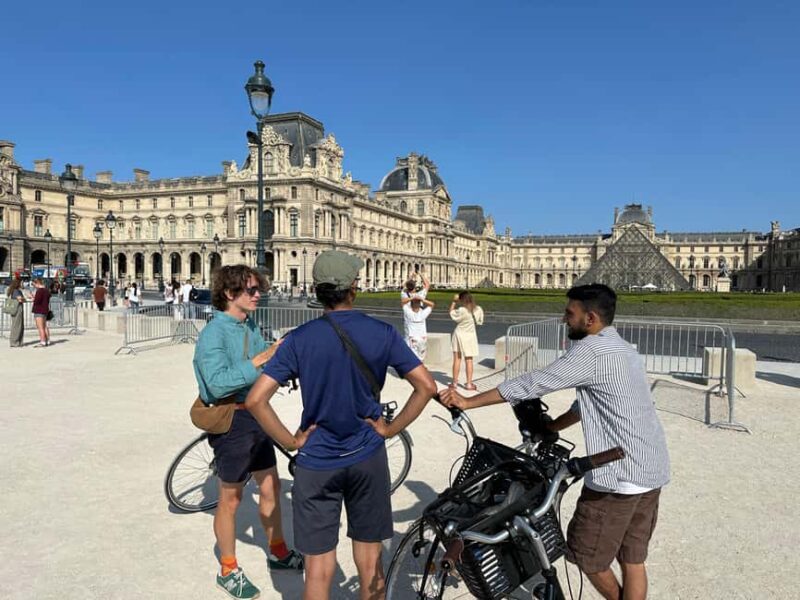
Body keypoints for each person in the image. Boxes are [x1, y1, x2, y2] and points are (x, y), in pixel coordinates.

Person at [440, 284, 670, 600]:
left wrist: (468, 402)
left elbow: (534, 383)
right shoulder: (623, 348)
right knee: (632, 558)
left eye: (569, 313)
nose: (564, 319)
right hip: (651, 467)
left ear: (590, 318)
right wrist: (554, 426)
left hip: (620, 477)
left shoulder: (590, 351)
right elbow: (589, 402)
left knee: (585, 554)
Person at [245, 250, 437, 600]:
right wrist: (390, 430)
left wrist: (291, 440)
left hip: (316, 461)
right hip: (367, 456)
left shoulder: (299, 339)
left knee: (317, 572)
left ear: (317, 290)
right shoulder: (382, 332)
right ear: (354, 288)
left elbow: (256, 399)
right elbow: (426, 386)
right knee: (370, 564)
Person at [193, 265, 303, 600]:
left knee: (270, 486)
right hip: (233, 422)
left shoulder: (249, 324)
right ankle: (228, 569)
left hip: (256, 415)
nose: (258, 295)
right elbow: (215, 385)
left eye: (258, 290)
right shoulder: (214, 333)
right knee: (230, 498)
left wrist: (283, 361)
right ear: (230, 294)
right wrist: (260, 360)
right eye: (251, 290)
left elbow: (265, 358)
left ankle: (279, 552)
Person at [449, 291, 484, 390]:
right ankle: (469, 384)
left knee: (457, 359)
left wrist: (453, 302)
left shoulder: (462, 310)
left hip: (459, 334)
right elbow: (480, 322)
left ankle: (454, 383)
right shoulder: (478, 309)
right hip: (470, 336)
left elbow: (451, 313)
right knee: (469, 360)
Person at [401, 295, 435, 361]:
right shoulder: (423, 313)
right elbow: (432, 304)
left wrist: (412, 298)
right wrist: (422, 299)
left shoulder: (409, 313)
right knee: (421, 357)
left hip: (412, 338)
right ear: (419, 304)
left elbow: (402, 302)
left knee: (413, 358)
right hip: (422, 337)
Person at [6, 278, 26, 348]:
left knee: (18, 325)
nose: (23, 284)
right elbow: (20, 299)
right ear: (18, 283)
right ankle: (15, 342)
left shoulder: (15, 290)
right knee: (17, 325)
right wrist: (24, 298)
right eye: (22, 282)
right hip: (17, 309)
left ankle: (17, 341)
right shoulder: (16, 291)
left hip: (17, 309)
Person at [31, 278, 51, 347]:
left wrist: (32, 298)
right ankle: (47, 340)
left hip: (39, 310)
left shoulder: (39, 291)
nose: (34, 286)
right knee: (45, 326)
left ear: (37, 283)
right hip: (45, 310)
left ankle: (42, 341)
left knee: (40, 327)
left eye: (34, 285)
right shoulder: (46, 290)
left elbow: (37, 301)